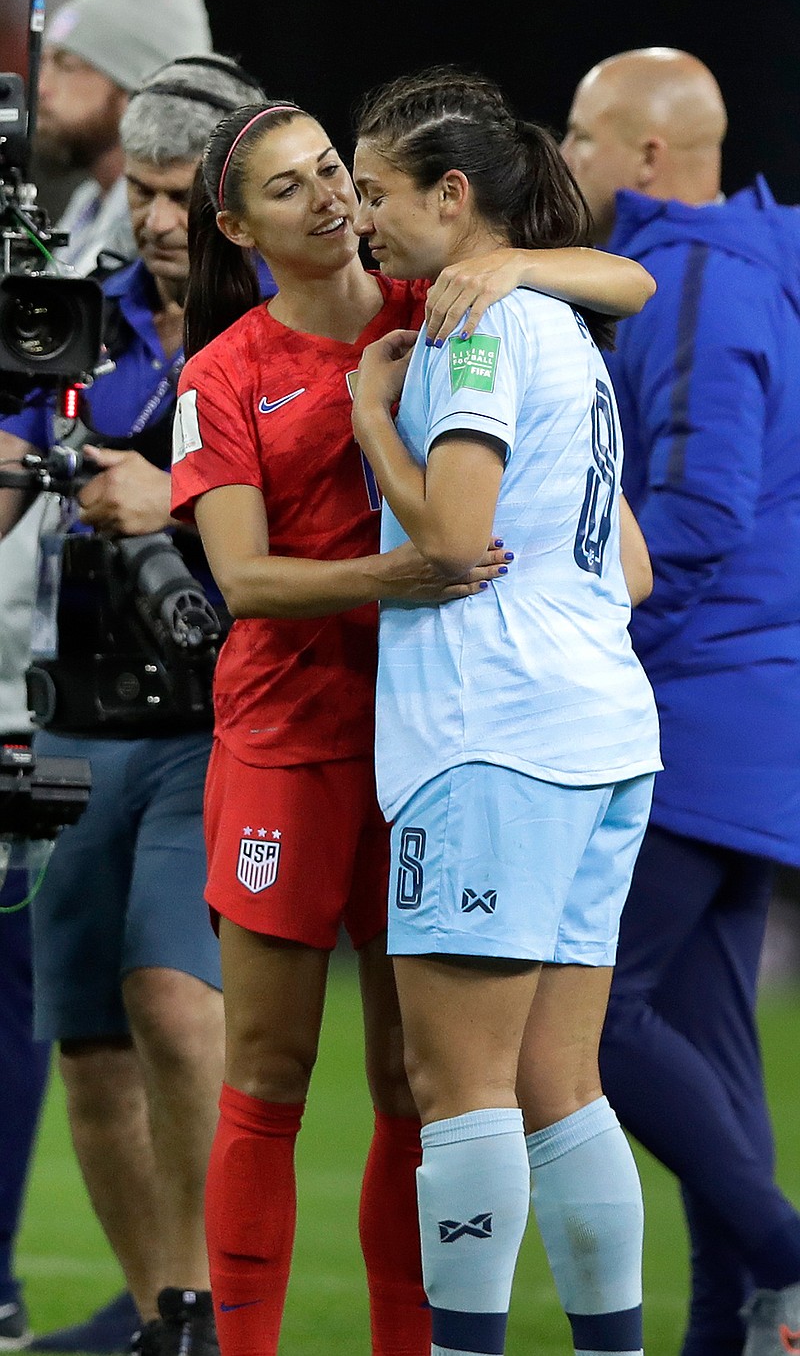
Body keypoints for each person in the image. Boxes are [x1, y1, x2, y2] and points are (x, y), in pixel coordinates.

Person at [169, 94, 655, 1356]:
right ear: (240, 227)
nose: (336, 200)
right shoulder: (224, 373)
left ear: (436, 196)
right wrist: (395, 578)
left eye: (344, 172)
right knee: (278, 1077)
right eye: (295, 187)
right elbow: (244, 582)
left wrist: (502, 262)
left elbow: (618, 276)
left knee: (430, 1086)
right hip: (305, 739)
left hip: (459, 740)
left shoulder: (444, 309)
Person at [348, 66, 661, 1356]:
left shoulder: (473, 328)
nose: (357, 216)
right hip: (599, 734)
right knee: (557, 1085)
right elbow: (628, 567)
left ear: (451, 193)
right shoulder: (559, 334)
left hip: (491, 738)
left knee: (458, 1089)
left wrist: (371, 416)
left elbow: (457, 541)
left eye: (373, 193)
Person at [0, 56, 269, 1356]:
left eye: (181, 194)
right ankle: (168, 1314)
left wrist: (173, 496)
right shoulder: (76, 313)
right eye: (146, 192)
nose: (156, 219)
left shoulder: (279, 324)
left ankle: (218, 1302)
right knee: (91, 1052)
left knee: (175, 1002)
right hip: (78, 718)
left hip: (218, 719)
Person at [560, 47, 800, 1356]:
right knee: (717, 1068)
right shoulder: (751, 269)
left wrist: (576, 633)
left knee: (575, 1016)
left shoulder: (696, 278)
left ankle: (786, 1254)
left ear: (651, 157)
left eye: (587, 137)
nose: (570, 156)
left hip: (693, 711)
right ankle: (738, 1334)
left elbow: (699, 514)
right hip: (747, 713)